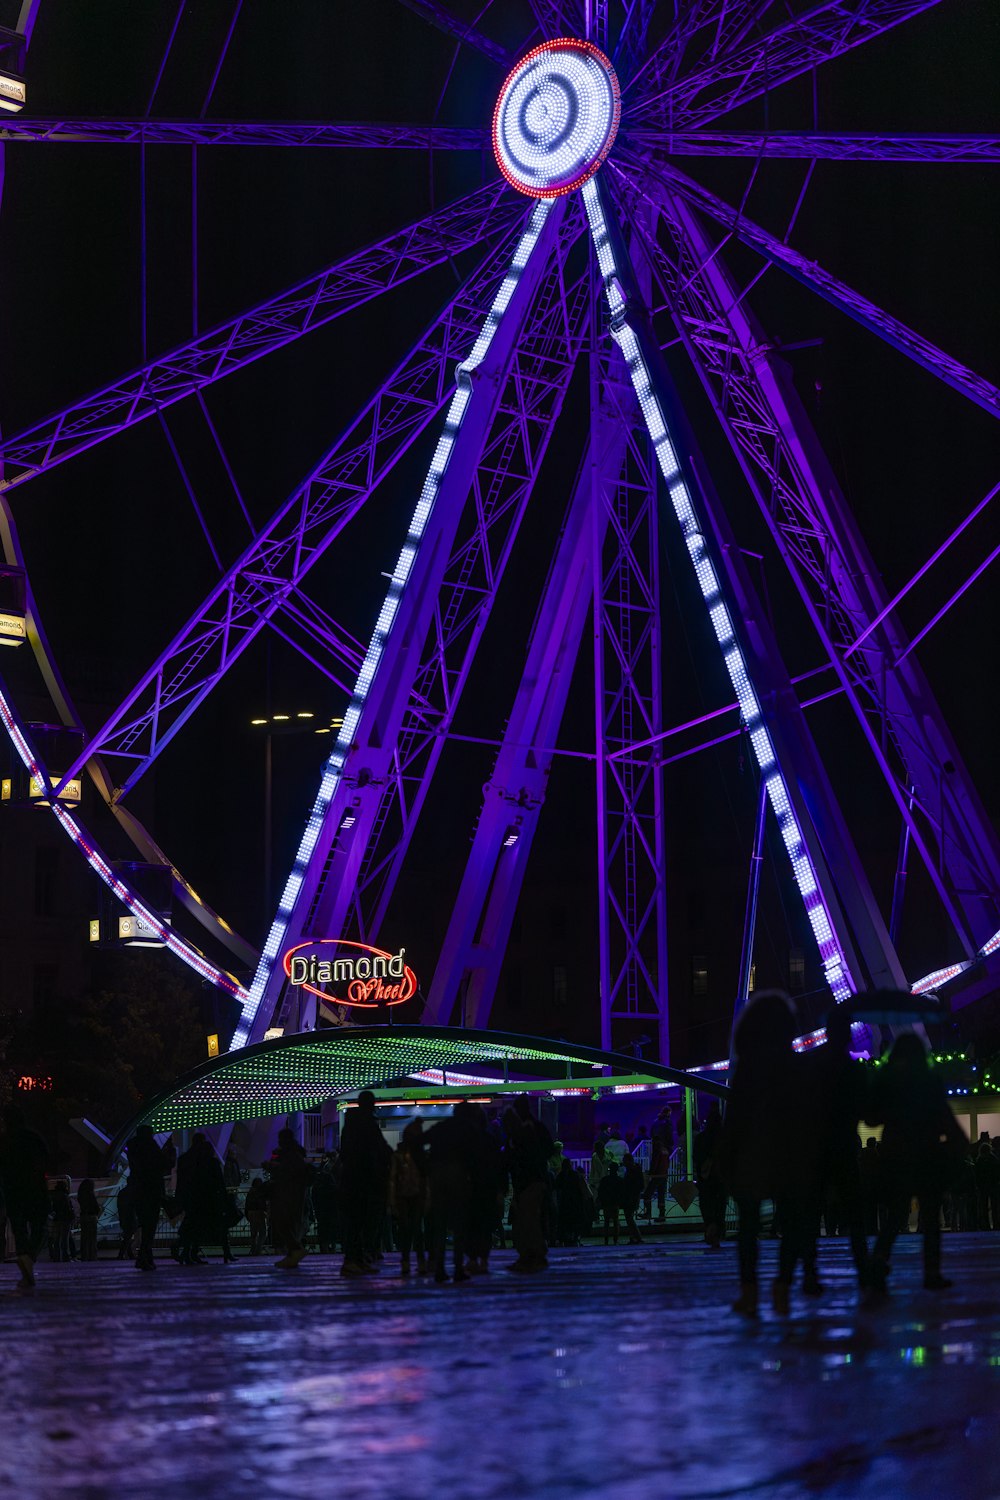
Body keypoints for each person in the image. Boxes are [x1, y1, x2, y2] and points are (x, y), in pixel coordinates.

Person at [719, 990, 812, 1317]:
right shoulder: (794, 1066)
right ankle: (783, 1284)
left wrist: (726, 1159)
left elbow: (735, 1117)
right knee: (794, 1221)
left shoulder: (746, 1069)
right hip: (787, 1150)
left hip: (751, 1151)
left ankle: (749, 1290)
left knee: (748, 1226)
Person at [866, 1033, 969, 1293]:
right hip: (927, 1153)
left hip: (897, 1154)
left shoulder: (888, 1082)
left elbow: (871, 1119)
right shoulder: (928, 1080)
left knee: (896, 1214)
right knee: (931, 1215)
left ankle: (879, 1259)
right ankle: (932, 1272)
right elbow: (943, 1114)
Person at [801, 1007, 870, 1292]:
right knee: (854, 1209)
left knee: (811, 1210)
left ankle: (809, 1270)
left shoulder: (813, 1065)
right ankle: (863, 1266)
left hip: (816, 1145)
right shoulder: (854, 1070)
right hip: (843, 1144)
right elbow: (867, 1110)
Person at [339, 1091, 392, 1276]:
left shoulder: (351, 1124)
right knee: (364, 1222)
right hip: (365, 1181)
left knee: (356, 1222)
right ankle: (356, 1259)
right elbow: (380, 1149)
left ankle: (355, 1259)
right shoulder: (368, 1124)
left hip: (352, 1180)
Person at [425, 1103, 476, 1284]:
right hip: (458, 1177)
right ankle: (458, 1267)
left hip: (438, 1177)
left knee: (439, 1224)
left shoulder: (442, 1127)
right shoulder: (468, 1130)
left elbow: (422, 1139)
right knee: (459, 1225)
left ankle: (439, 1267)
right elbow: (473, 1156)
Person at [0, 1105, 50, 1288]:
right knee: (40, 1227)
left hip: (13, 1191)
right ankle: (29, 1257)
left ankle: (24, 1259)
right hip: (35, 1189)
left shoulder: (5, 1141)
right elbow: (46, 1160)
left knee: (19, 1229)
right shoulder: (33, 1138)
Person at [503, 1097, 554, 1273]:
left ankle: (533, 1254)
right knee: (530, 1219)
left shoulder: (521, 1133)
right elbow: (548, 1149)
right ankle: (534, 1254)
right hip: (535, 1179)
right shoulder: (537, 1128)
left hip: (528, 1181)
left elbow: (513, 1159)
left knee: (528, 1220)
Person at [269, 1128, 312, 1268]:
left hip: (289, 1193)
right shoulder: (296, 1154)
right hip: (296, 1194)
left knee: (283, 1222)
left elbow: (289, 1173)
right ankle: (293, 1252)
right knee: (290, 1224)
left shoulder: (290, 1155)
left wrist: (274, 1168)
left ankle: (294, 1249)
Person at [390, 1121, 428, 1275]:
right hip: (414, 1195)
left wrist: (391, 1199)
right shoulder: (420, 1156)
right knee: (416, 1229)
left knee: (407, 1229)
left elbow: (392, 1178)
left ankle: (407, 1260)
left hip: (405, 1195)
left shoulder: (399, 1155)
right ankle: (419, 1260)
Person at [128, 1124, 166, 1271]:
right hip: (152, 1190)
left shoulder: (133, 1147)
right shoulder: (150, 1146)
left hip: (137, 1191)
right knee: (150, 1226)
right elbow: (162, 1163)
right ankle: (145, 1256)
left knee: (144, 1224)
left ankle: (144, 1257)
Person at [693, 1101, 726, 1250]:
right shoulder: (724, 1138)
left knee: (707, 1205)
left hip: (705, 1179)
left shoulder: (701, 1139)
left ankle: (710, 1228)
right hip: (721, 1178)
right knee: (719, 1207)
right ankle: (716, 1233)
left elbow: (696, 1159)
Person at [312, 1153, 341, 1254]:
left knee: (324, 1228)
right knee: (331, 1228)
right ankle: (330, 1246)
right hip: (330, 1208)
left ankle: (326, 1247)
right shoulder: (330, 1176)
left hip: (323, 1208)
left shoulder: (321, 1177)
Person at [48, 1181, 76, 1261]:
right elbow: (68, 1209)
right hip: (65, 1219)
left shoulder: (54, 1196)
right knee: (65, 1239)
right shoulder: (65, 1196)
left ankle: (56, 1257)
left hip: (57, 1219)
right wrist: (72, 1217)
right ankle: (66, 1257)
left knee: (57, 1239)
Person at [620, 1153, 644, 1244]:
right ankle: (634, 1237)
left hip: (630, 1197)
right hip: (633, 1197)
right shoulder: (636, 1170)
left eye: (624, 1160)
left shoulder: (631, 1171)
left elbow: (630, 1185)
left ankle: (637, 1236)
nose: (623, 1162)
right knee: (629, 1218)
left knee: (629, 1218)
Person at [597, 1160, 621, 1244]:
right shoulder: (619, 1180)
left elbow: (600, 1191)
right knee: (615, 1221)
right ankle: (616, 1240)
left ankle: (606, 1240)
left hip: (606, 1203)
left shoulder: (605, 1179)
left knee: (606, 1222)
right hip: (615, 1203)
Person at [245, 1176, 270, 1255]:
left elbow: (247, 1204)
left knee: (253, 1234)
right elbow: (262, 1204)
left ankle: (253, 1249)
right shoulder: (261, 1192)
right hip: (259, 1213)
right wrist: (265, 1211)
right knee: (262, 1233)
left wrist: (247, 1214)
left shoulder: (250, 1192)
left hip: (251, 1213)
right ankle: (258, 1249)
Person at [77, 1178, 100, 1261]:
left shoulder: (80, 1195)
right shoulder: (91, 1195)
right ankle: (92, 1256)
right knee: (92, 1239)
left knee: (84, 1238)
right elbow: (96, 1208)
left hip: (83, 1217)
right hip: (91, 1217)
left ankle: (85, 1256)